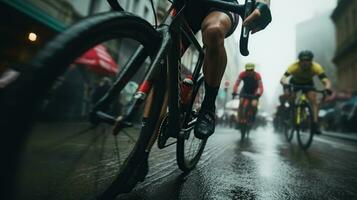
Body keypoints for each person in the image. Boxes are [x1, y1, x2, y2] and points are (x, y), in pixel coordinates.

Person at [185, 0, 272, 139]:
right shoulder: (243, 74)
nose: (248, 72)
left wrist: (263, 3)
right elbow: (237, 82)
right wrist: (235, 91)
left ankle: (208, 106)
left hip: (222, 4)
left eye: (250, 70)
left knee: (214, 31)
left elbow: (260, 87)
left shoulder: (256, 76)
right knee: (164, 58)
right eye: (248, 70)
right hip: (188, 5)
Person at [280, 50, 332, 134]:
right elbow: (283, 78)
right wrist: (285, 84)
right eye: (302, 61)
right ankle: (291, 114)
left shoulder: (316, 67)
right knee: (292, 97)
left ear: (311, 61)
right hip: (295, 82)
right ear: (299, 61)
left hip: (308, 83)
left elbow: (326, 81)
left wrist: (327, 88)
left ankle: (315, 124)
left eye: (307, 61)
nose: (305, 63)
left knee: (313, 100)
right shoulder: (293, 66)